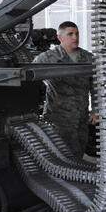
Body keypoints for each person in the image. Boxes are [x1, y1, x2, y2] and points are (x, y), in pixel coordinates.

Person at [33, 21, 97, 159]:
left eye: (77, 33)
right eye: (70, 34)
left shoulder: (88, 58)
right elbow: (30, 79)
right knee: (61, 155)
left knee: (79, 151)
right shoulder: (48, 58)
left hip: (81, 117)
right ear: (60, 38)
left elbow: (96, 87)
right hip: (58, 118)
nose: (75, 37)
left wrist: (96, 111)